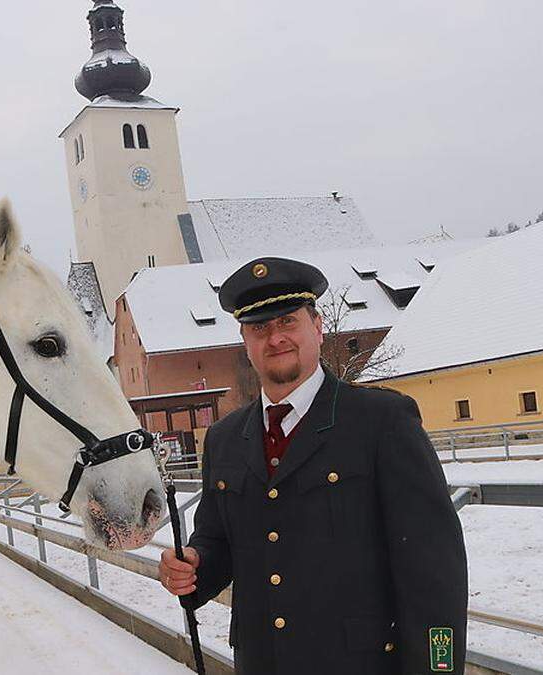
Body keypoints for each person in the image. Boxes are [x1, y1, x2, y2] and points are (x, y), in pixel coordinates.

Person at [158, 257, 468, 674]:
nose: (275, 338)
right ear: (245, 342)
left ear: (318, 328)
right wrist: (194, 564)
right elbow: (219, 542)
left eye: (288, 321)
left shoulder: (382, 422)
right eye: (259, 328)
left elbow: (434, 571)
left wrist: (439, 668)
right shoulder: (225, 438)